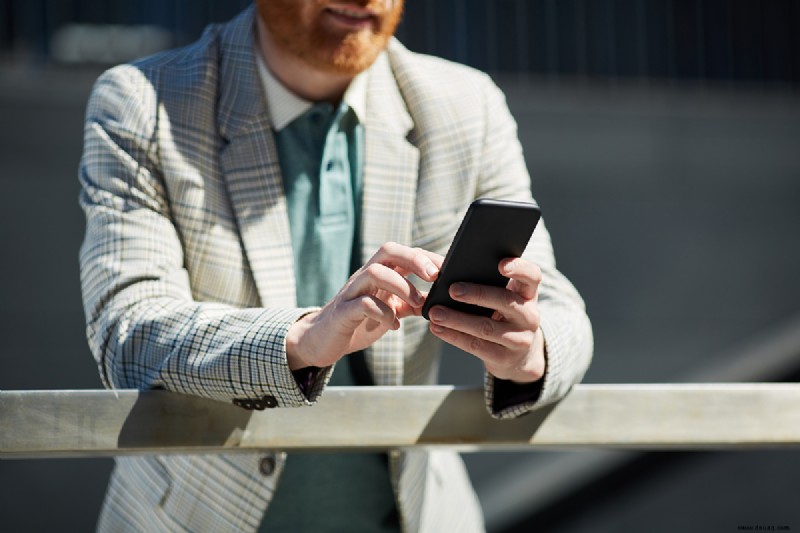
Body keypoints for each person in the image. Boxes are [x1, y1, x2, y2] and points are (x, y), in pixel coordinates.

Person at [78, 1, 593, 531]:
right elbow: (130, 330)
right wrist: (301, 340)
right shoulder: (145, 104)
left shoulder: (466, 106)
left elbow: (559, 310)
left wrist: (531, 352)